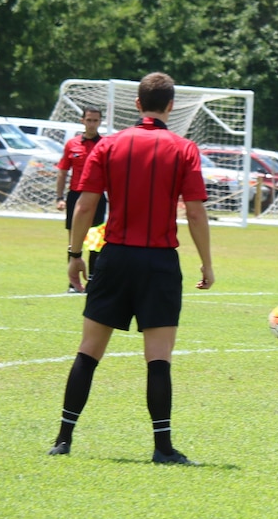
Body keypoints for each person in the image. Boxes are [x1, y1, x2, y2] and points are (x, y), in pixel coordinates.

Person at [48, 72, 214, 464]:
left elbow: (85, 205)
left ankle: (63, 439)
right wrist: (207, 263)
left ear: (137, 104)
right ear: (171, 106)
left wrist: (74, 256)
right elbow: (194, 211)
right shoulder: (185, 149)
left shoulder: (108, 145)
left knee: (89, 351)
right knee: (158, 358)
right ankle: (162, 448)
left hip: (115, 258)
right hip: (159, 263)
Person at [56, 107, 106, 293]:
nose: (92, 124)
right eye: (89, 120)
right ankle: (73, 282)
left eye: (95, 120)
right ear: (82, 121)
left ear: (100, 122)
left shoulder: (105, 144)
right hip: (76, 196)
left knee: (95, 241)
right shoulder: (72, 144)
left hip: (97, 197)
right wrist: (59, 197)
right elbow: (62, 172)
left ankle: (93, 281)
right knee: (74, 241)